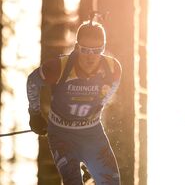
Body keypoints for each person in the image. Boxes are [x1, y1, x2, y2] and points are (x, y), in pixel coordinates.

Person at [26, 18, 121, 185]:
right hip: (62, 134)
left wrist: (97, 108)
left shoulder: (112, 68)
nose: (91, 57)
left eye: (96, 50)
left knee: (112, 182)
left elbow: (112, 88)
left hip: (92, 133)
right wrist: (34, 114)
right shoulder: (60, 67)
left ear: (103, 48)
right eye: (85, 50)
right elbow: (33, 82)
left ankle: (88, 170)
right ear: (77, 47)